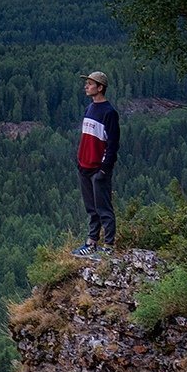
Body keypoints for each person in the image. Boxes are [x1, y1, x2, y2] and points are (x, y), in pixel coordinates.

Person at [74, 70, 119, 255]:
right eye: (87, 83)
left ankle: (109, 246)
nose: (86, 86)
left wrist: (104, 169)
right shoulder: (89, 109)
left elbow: (113, 144)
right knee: (91, 208)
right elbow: (86, 139)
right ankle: (91, 243)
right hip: (84, 167)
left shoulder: (109, 113)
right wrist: (79, 161)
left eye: (90, 83)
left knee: (104, 209)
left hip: (98, 170)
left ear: (100, 88)